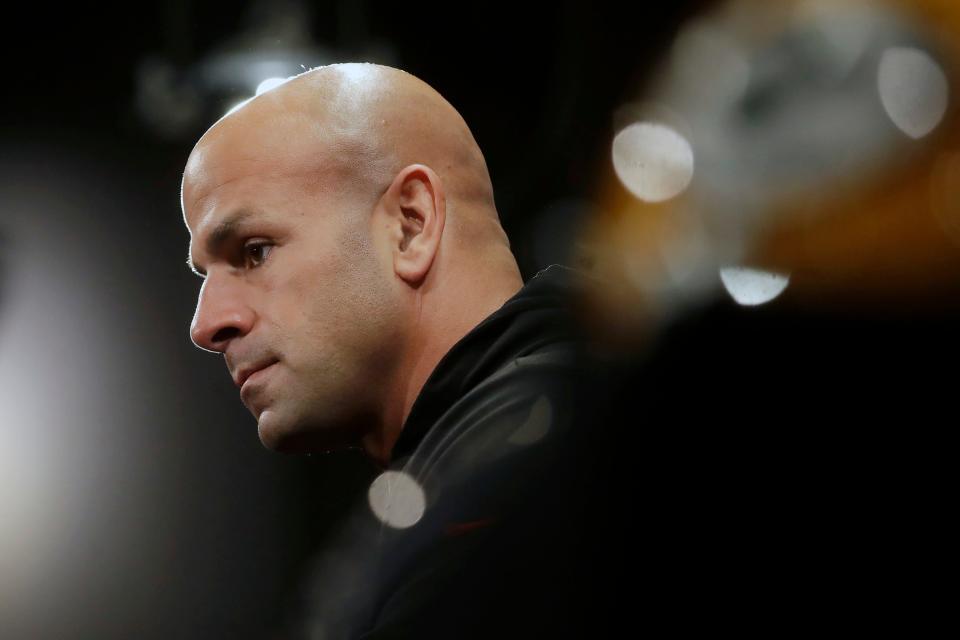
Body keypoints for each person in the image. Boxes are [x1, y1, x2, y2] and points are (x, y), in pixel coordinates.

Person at [181, 63, 606, 638]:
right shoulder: (500, 458)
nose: (207, 324)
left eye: (255, 252)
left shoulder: (545, 473)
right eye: (205, 275)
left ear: (411, 224)